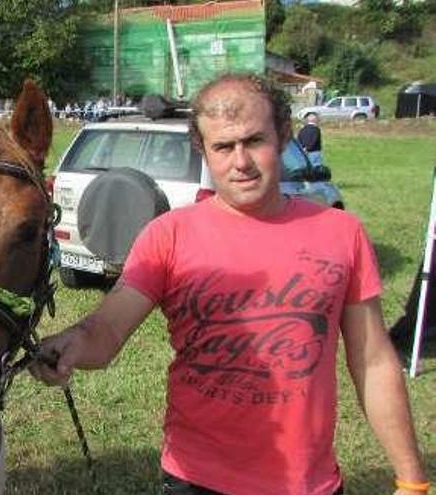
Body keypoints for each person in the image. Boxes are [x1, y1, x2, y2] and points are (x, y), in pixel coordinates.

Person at [30, 73, 428, 495]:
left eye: (254, 141)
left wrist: (411, 479)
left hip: (308, 485)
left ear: (284, 136)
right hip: (196, 479)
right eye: (223, 146)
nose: (240, 162)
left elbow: (373, 361)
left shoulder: (341, 233)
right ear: (202, 149)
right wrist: (70, 343)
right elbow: (106, 330)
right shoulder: (168, 234)